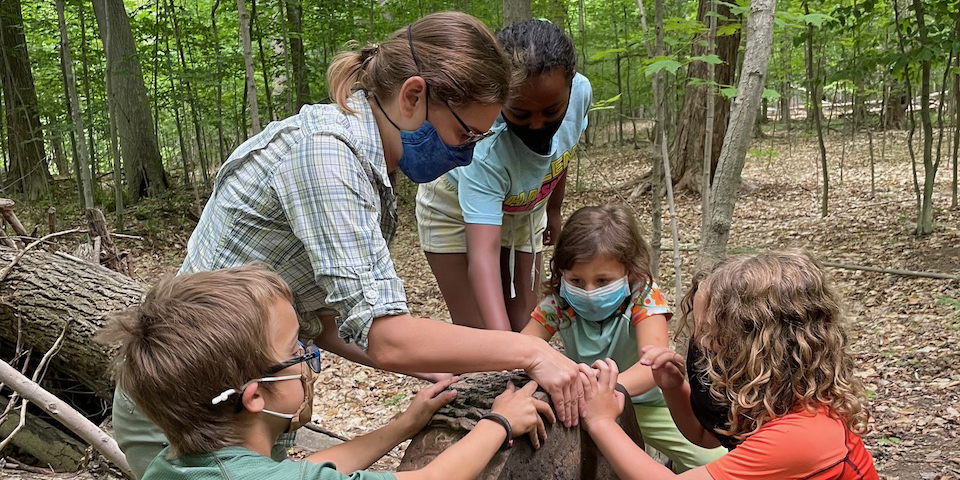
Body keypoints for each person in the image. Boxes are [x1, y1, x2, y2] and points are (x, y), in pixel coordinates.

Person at [112, 12, 583, 479]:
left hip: (248, 404)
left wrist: (438, 371)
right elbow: (385, 335)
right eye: (466, 133)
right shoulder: (328, 159)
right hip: (193, 410)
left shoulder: (365, 159)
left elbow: (330, 322)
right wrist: (532, 353)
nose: (470, 151)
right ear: (413, 96)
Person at [100, 265, 555, 480]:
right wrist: (499, 423)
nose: (305, 355)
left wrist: (401, 426)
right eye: (295, 348)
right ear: (255, 396)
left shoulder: (173, 466)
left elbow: (309, 470)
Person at [577, 251, 879, 480]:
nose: (700, 344)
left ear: (757, 344)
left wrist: (601, 421)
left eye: (709, 332)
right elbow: (705, 436)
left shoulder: (803, 435)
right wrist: (673, 388)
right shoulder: (775, 399)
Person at [416, 19, 592, 332]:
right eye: (521, 114)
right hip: (454, 205)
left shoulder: (580, 93)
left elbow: (562, 154)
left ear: (571, 86)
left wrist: (553, 209)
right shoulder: (484, 148)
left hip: (525, 206)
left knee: (525, 321)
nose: (537, 125)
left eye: (551, 112)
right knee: (481, 334)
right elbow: (482, 257)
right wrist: (506, 350)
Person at [520, 205, 724, 471]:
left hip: (648, 405)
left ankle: (672, 467)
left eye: (603, 281)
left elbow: (651, 365)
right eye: (577, 281)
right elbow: (525, 346)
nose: (589, 290)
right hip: (584, 403)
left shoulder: (643, 298)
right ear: (562, 274)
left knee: (713, 461)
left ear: (629, 271)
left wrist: (602, 390)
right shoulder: (558, 303)